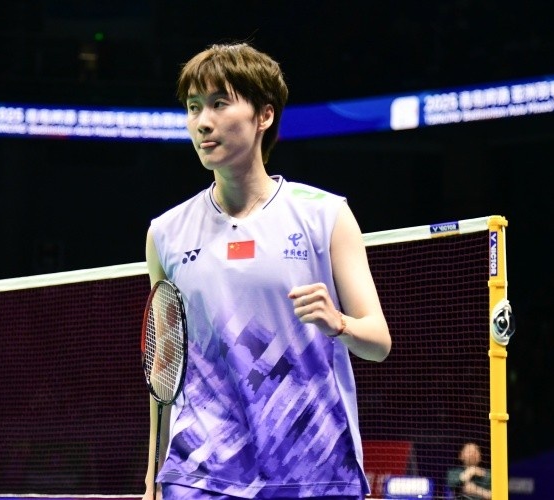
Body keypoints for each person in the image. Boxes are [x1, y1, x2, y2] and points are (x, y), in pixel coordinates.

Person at [142, 42, 391, 500]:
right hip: (201, 470)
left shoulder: (325, 215)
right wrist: (153, 475)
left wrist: (338, 323)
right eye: (194, 107)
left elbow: (378, 342)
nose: (203, 121)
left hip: (313, 466)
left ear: (264, 116)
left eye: (220, 103)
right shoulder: (167, 234)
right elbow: (164, 370)